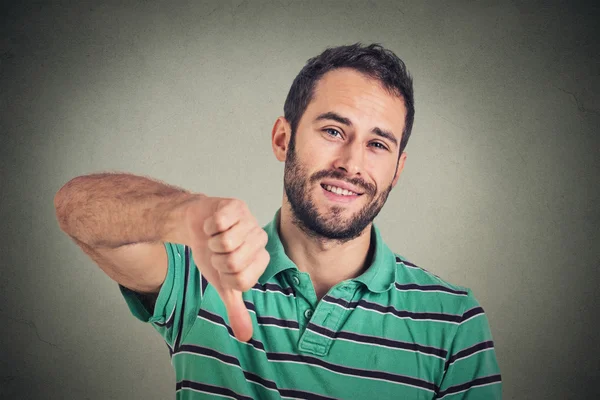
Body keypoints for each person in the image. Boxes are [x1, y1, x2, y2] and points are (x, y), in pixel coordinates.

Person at [54, 43, 501, 399]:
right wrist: (181, 213)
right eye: (332, 131)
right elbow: (75, 208)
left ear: (397, 170)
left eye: (378, 145)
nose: (351, 163)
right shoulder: (204, 272)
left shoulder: (453, 321)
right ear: (282, 138)